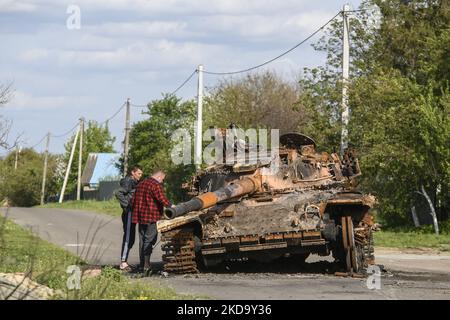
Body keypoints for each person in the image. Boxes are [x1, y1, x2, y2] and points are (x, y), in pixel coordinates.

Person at [131, 169, 174, 275]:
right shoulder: (155, 184)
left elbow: (133, 201)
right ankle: (146, 266)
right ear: (159, 177)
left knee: (142, 240)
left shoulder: (141, 184)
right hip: (151, 217)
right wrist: (171, 206)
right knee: (149, 241)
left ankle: (142, 264)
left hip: (141, 217)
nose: (162, 182)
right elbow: (161, 199)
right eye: (162, 180)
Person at [115, 165, 143, 271]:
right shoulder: (128, 181)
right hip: (129, 213)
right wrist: (127, 205)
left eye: (141, 174)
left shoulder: (134, 182)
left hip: (133, 212)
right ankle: (123, 262)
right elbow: (118, 193)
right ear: (133, 172)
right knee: (128, 237)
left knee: (131, 238)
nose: (140, 176)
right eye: (139, 173)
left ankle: (124, 261)